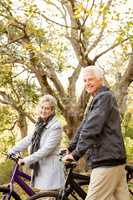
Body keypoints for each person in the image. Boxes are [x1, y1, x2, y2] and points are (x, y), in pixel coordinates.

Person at [63, 66, 130, 200]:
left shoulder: (104, 97)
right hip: (113, 160)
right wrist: (70, 147)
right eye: (85, 80)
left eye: (91, 79)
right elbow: (84, 126)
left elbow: (91, 129)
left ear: (100, 79)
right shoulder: (98, 99)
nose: (87, 83)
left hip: (106, 161)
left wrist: (75, 154)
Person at [8, 94, 65, 190]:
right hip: (42, 168)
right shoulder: (40, 124)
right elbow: (29, 139)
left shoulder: (56, 127)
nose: (43, 110)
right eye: (42, 107)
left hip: (51, 171)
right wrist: (12, 150)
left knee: (49, 196)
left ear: (52, 111)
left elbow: (46, 150)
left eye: (47, 108)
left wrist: (26, 160)